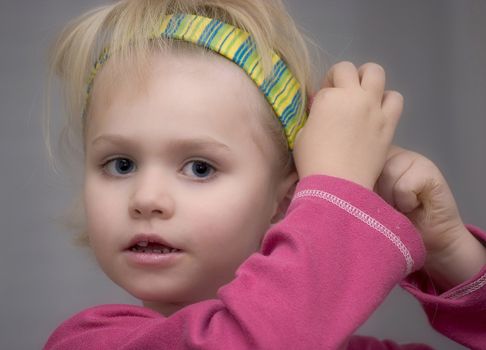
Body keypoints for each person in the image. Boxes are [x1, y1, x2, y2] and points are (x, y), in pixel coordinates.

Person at [44, 0, 486, 349]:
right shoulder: (90, 342)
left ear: (286, 203)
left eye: (199, 167)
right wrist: (342, 189)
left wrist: (451, 253)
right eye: (121, 164)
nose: (146, 197)